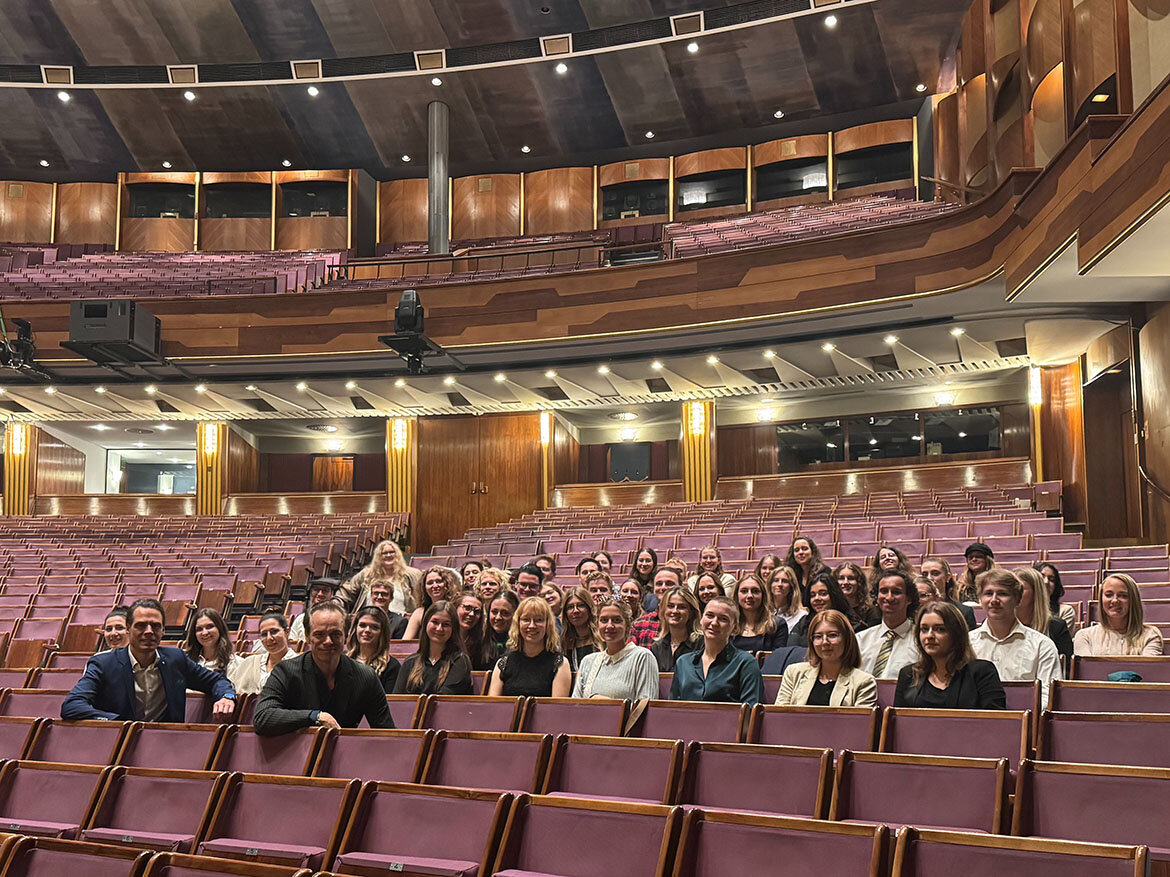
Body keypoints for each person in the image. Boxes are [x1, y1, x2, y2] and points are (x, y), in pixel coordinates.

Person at [63, 598, 236, 722]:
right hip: (118, 742)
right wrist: (116, 721)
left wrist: (226, 696)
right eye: (140, 625)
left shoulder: (176, 659)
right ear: (129, 630)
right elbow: (72, 705)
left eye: (155, 626)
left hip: (166, 744)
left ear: (163, 631)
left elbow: (216, 680)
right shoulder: (103, 664)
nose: (148, 631)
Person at [255, 601, 394, 734]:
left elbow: (386, 731)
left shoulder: (365, 676)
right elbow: (263, 717)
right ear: (308, 637)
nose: (328, 641)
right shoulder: (285, 671)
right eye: (319, 634)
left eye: (335, 634)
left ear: (345, 636)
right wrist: (315, 717)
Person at [970, 569, 1061, 707]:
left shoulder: (1042, 645)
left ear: (1017, 600)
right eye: (988, 593)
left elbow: (1048, 696)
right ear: (980, 599)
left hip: (1025, 722)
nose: (994, 600)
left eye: (1002, 594)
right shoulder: (967, 643)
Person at [895, 601, 1006, 709]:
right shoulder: (908, 675)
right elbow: (899, 723)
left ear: (956, 634)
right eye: (924, 629)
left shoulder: (982, 672)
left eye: (940, 629)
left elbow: (995, 723)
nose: (929, 636)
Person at [669, 596, 764, 705]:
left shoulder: (746, 663)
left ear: (735, 627)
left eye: (723, 619)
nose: (714, 623)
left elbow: (750, 712)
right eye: (709, 615)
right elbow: (673, 709)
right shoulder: (683, 662)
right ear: (701, 620)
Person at [774, 610, 877, 707]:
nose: (825, 642)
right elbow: (780, 717)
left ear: (847, 639)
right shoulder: (793, 673)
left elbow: (859, 725)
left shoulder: (864, 682)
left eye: (832, 635)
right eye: (818, 637)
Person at [572, 598, 659, 701]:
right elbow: (576, 705)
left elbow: (645, 707)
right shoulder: (588, 661)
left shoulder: (642, 657)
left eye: (617, 620)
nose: (609, 625)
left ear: (627, 625)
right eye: (604, 620)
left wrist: (604, 702)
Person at [488, 596, 572, 697]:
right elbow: (493, 707)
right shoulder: (503, 663)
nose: (532, 626)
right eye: (526, 619)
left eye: (539, 620)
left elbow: (557, 709)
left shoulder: (559, 664)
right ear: (518, 623)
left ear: (548, 624)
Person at [1073, 573, 1164, 656]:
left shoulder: (1151, 635)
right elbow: (1088, 671)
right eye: (1109, 595)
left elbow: (1147, 670)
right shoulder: (1085, 636)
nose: (1115, 600)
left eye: (1123, 596)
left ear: (1133, 600)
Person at [393, 601, 474, 695]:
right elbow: (398, 701)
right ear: (426, 624)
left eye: (446, 624)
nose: (439, 628)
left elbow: (443, 701)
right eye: (435, 622)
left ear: (453, 629)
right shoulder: (410, 662)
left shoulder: (460, 661)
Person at [856, 570, 920, 679]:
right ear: (876, 597)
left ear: (909, 599)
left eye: (896, 592)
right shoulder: (860, 640)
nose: (889, 597)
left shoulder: (920, 640)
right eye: (884, 591)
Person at [339, 540, 420, 615]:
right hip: (370, 619)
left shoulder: (412, 574)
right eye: (384, 553)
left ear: (398, 555)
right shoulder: (367, 574)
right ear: (378, 557)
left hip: (399, 622)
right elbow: (347, 590)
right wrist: (337, 602)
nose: (388, 555)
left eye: (392, 552)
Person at [1013, 566, 1074, 663]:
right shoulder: (1000, 626)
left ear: (1036, 593)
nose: (1012, 593)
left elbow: (1065, 671)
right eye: (1009, 589)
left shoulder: (1056, 628)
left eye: (1020, 589)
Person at [789, 571, 864, 646]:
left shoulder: (853, 625)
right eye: (812, 595)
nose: (817, 598)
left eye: (823, 594)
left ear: (834, 595)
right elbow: (791, 650)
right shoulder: (804, 623)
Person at [232, 612, 298, 694]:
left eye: (274, 632)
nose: (269, 638)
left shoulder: (299, 666)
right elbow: (230, 687)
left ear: (287, 632)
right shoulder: (248, 663)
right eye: (264, 634)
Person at [345, 605, 403, 692]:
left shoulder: (391, 666)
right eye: (362, 625)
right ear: (355, 629)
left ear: (382, 633)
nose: (367, 630)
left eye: (374, 627)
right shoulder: (342, 660)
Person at [650, 585, 703, 672]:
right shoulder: (657, 647)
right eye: (670, 606)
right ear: (663, 611)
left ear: (691, 612)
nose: (675, 611)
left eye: (682, 607)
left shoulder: (701, 644)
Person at [731, 574, 788, 652]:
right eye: (744, 591)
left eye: (755, 591)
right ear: (737, 595)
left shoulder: (777, 625)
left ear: (763, 596)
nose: (750, 595)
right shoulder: (729, 625)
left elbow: (778, 659)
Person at [403, 566, 461, 639]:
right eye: (430, 583)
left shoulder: (457, 610)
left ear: (447, 584)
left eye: (439, 581)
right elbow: (405, 643)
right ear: (424, 588)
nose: (435, 586)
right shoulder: (419, 613)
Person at [921, 556, 978, 629]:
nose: (929, 578)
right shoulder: (914, 610)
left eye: (935, 573)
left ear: (948, 577)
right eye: (924, 575)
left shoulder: (963, 612)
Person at [631, 566, 683, 646]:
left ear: (680, 587)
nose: (663, 587)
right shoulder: (639, 625)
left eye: (669, 584)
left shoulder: (688, 622)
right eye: (659, 584)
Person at [185, 608, 242, 678]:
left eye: (209, 627)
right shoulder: (185, 661)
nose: (204, 633)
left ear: (220, 629)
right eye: (199, 629)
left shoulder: (236, 663)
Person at [286, 577, 341, 648]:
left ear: (332, 594)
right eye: (316, 590)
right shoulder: (300, 619)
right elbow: (292, 644)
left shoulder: (337, 619)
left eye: (325, 590)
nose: (320, 594)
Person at [560, 587, 601, 671]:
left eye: (581, 605)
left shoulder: (602, 639)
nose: (575, 611)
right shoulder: (565, 643)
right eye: (570, 607)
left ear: (589, 609)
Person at [456, 593, 497, 671]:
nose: (471, 614)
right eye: (467, 608)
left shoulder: (483, 645)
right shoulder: (442, 638)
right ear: (455, 607)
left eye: (477, 611)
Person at [1035, 562, 1079, 628]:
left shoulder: (1065, 611)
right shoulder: (1021, 609)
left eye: (1051, 579)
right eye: (1041, 577)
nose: (1046, 582)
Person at [835, 562, 880, 627]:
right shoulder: (832, 609)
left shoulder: (871, 611)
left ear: (859, 583)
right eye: (841, 578)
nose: (845, 582)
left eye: (851, 578)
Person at [784, 536, 828, 602]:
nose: (800, 552)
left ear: (812, 552)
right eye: (796, 550)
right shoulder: (791, 574)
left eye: (804, 548)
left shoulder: (825, 572)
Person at [769, 567, 807, 634]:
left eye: (784, 581)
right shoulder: (761, 613)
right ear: (770, 585)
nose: (779, 584)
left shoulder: (801, 616)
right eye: (776, 580)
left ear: (791, 587)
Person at [487, 591, 520, 660]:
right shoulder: (479, 639)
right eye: (494, 612)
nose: (498, 617)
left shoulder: (522, 644)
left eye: (505, 613)